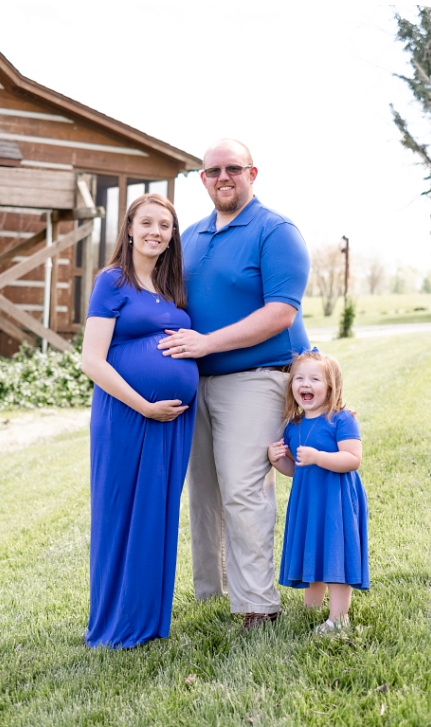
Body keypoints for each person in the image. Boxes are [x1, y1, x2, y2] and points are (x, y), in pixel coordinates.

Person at [157, 139, 310, 630]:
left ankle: (257, 606)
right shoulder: (192, 235)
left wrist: (206, 343)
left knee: (244, 491)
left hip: (257, 378)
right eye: (212, 171)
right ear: (201, 179)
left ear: (252, 173)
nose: (222, 177)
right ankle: (211, 594)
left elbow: (280, 312)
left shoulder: (276, 231)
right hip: (195, 383)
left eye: (233, 169)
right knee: (202, 491)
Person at [81, 194, 198, 648]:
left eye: (165, 226)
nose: (156, 231)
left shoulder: (171, 289)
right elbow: (92, 361)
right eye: (146, 222)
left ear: (172, 237)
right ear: (128, 228)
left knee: (157, 514)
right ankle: (114, 626)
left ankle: (148, 623)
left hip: (171, 423)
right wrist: (143, 405)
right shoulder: (112, 281)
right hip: (127, 415)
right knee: (119, 514)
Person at [267, 349, 370, 633]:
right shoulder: (294, 425)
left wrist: (319, 457)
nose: (305, 384)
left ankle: (339, 619)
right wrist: (279, 461)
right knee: (314, 550)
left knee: (335, 554)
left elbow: (353, 459)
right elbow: (295, 468)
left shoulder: (341, 419)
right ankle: (309, 610)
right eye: (299, 378)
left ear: (331, 387)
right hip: (308, 503)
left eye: (315, 379)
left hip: (336, 501)